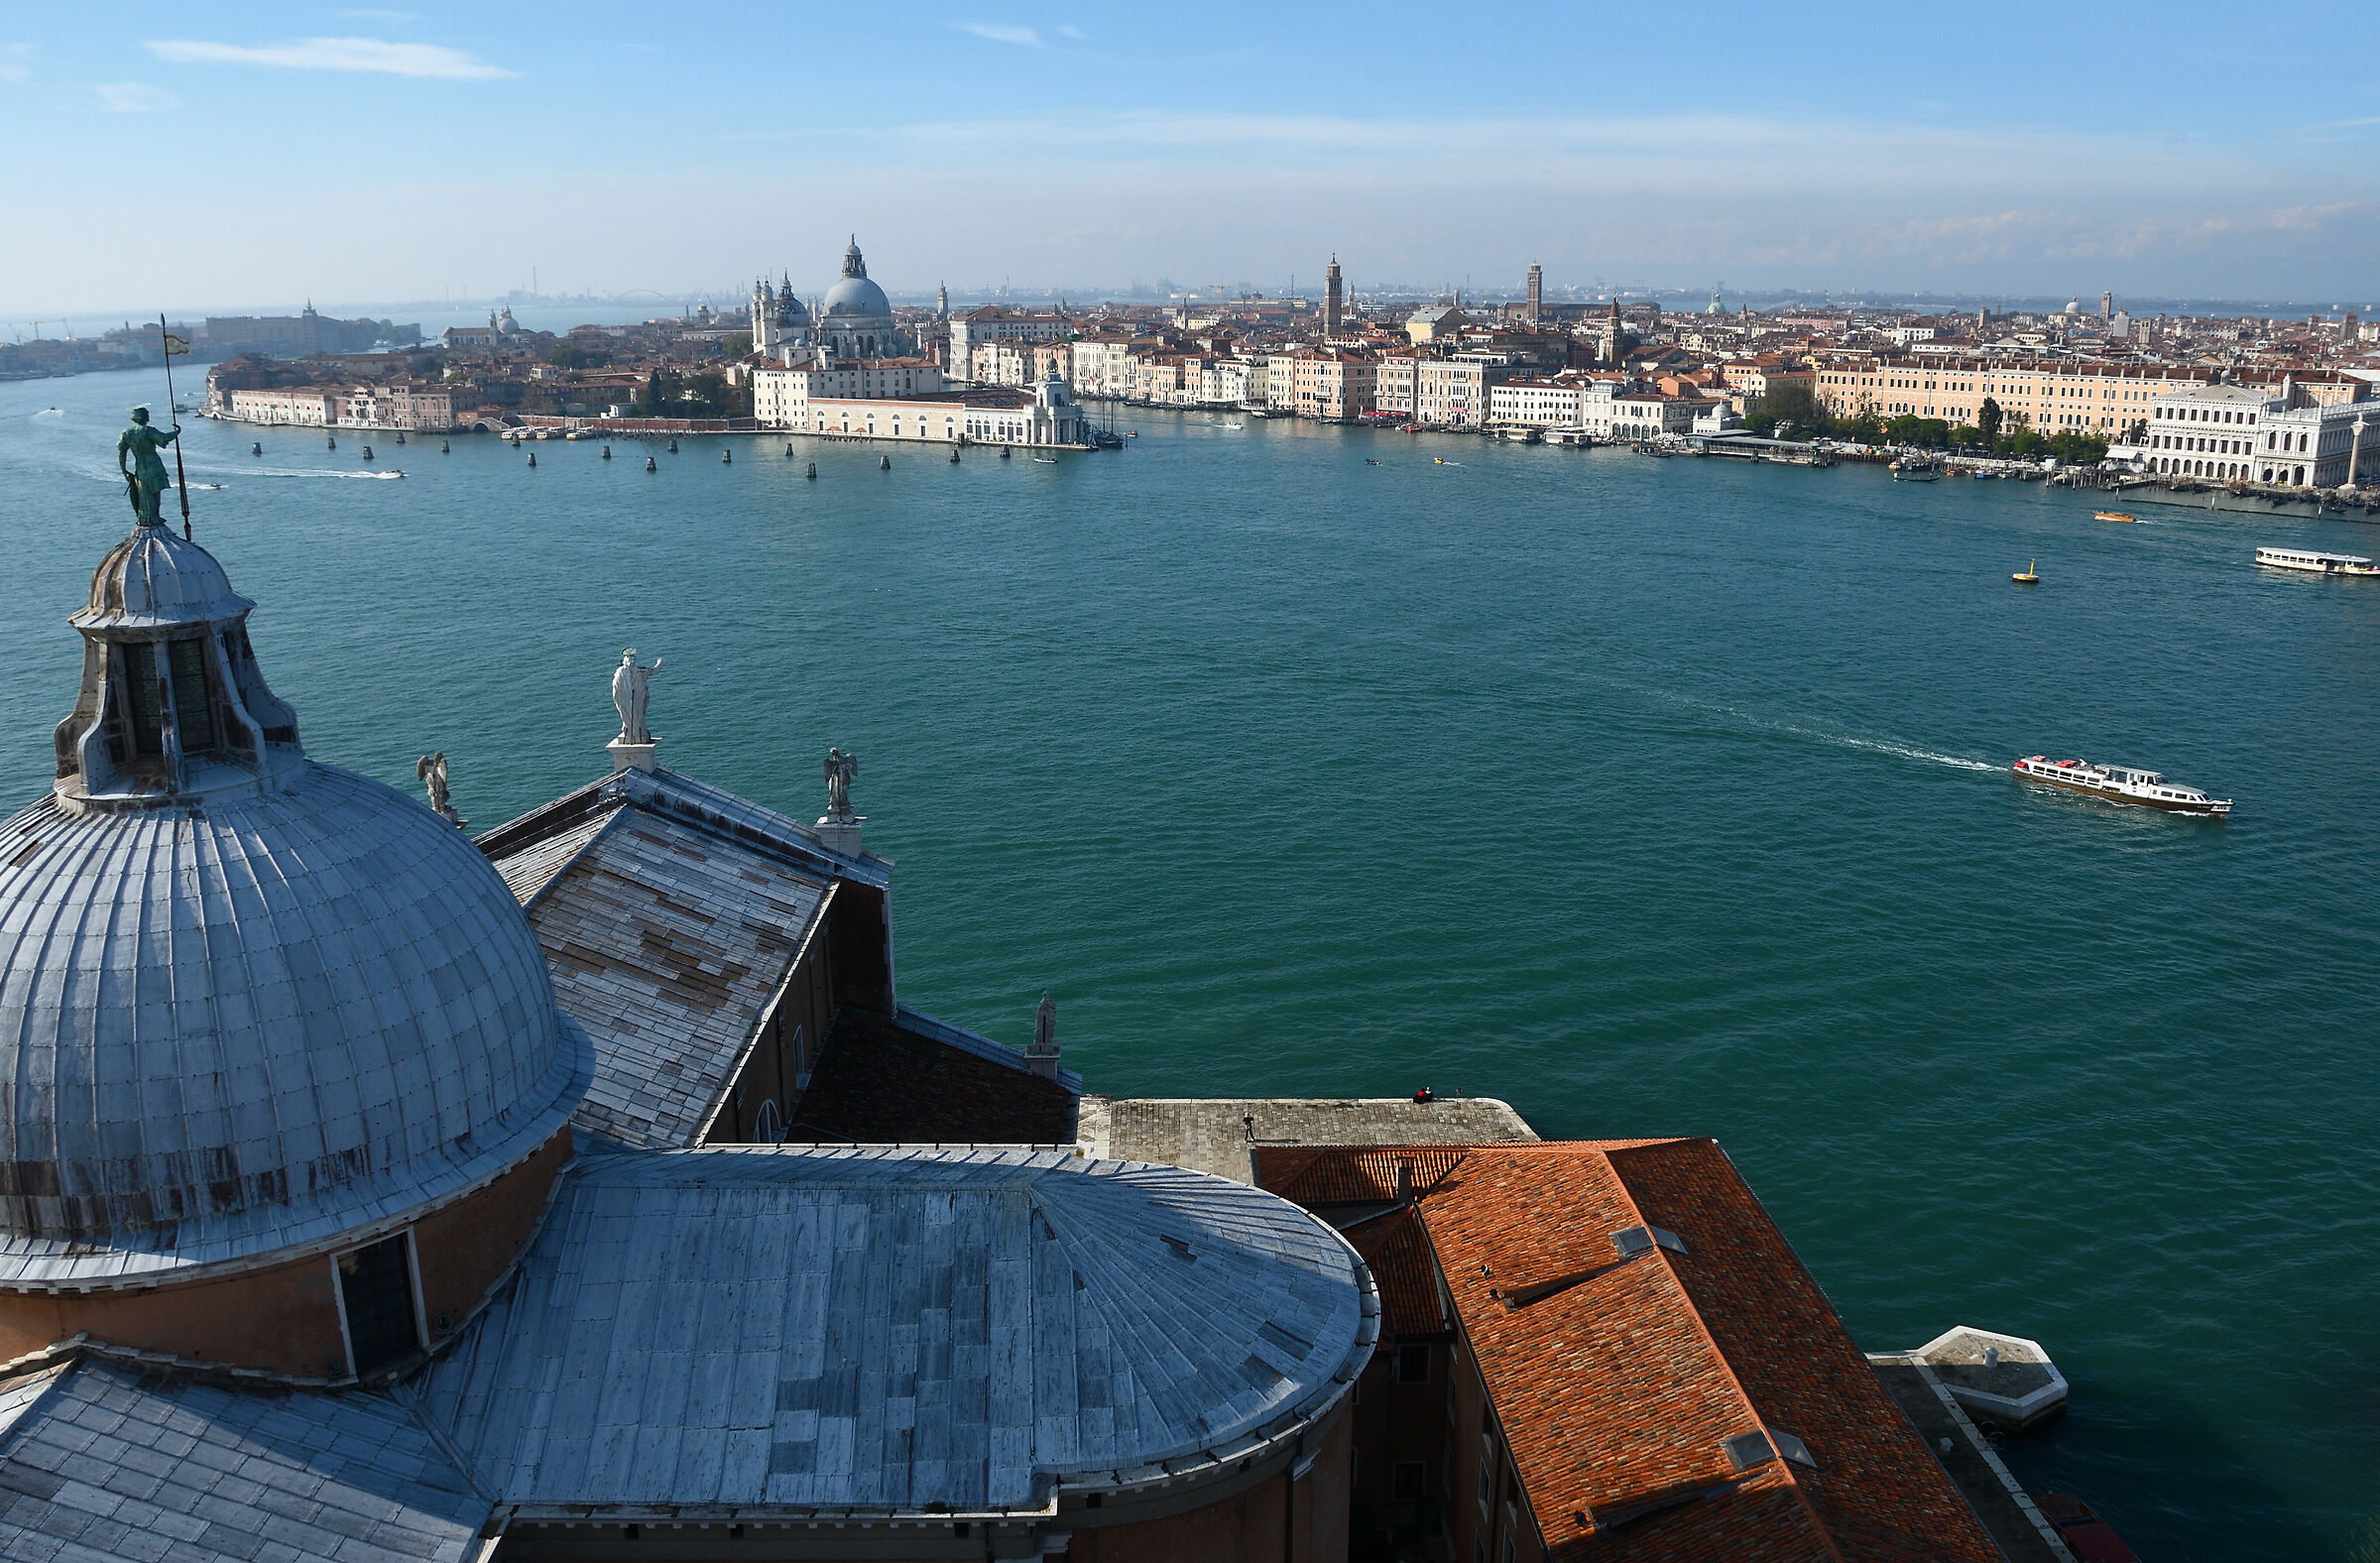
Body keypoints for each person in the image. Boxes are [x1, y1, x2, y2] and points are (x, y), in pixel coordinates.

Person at [117, 406, 180, 527]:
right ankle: (153, 517)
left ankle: (147, 516)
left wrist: (124, 470)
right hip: (153, 464)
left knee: (144, 492)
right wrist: (177, 431)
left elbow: (121, 452)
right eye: (147, 416)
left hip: (140, 466)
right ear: (142, 418)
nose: (148, 419)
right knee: (154, 492)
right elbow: (164, 438)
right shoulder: (148, 431)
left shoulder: (126, 433)